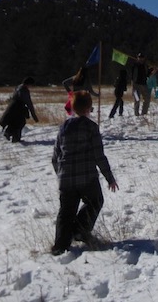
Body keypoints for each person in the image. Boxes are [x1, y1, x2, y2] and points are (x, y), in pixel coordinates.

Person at [50, 91, 118, 255]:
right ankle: (80, 229)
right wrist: (110, 178)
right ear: (89, 108)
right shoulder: (91, 127)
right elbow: (98, 156)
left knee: (65, 212)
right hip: (87, 177)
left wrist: (61, 173)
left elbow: (55, 156)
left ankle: (60, 246)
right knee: (95, 201)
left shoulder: (64, 127)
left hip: (66, 178)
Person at [0, 76, 39, 143]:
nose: (31, 86)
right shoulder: (24, 90)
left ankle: (9, 133)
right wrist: (33, 115)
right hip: (18, 108)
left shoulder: (18, 87)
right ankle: (15, 138)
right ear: (28, 84)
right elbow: (28, 102)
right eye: (31, 84)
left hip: (12, 107)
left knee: (13, 122)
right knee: (20, 123)